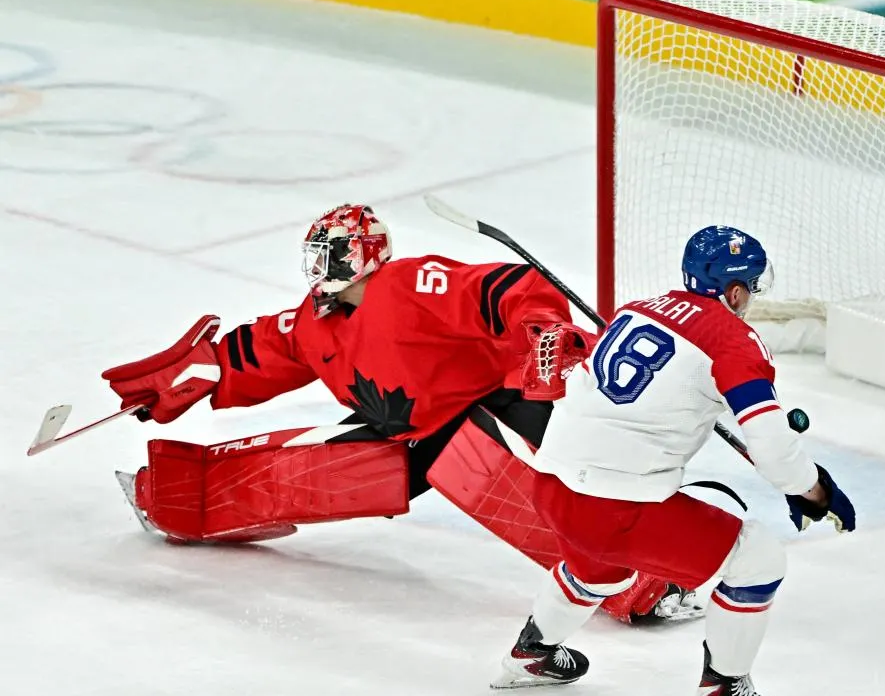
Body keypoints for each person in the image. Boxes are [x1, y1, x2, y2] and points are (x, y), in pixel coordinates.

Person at [101, 204, 700, 623]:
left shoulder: (412, 284)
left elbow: (505, 288)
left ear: (366, 255)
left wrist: (545, 329)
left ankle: (649, 583)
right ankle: (182, 495)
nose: (320, 270)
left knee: (545, 500)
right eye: (315, 256)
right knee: (305, 473)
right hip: (407, 431)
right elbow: (263, 347)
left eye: (333, 255)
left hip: (490, 408)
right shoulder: (316, 323)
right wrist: (200, 373)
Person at [491, 225, 856, 696]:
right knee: (758, 559)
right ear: (734, 291)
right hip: (616, 505)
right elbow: (774, 448)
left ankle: (533, 652)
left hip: (551, 485)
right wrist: (813, 488)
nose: (751, 298)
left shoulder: (636, 309)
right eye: (750, 287)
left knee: (600, 565)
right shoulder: (733, 338)